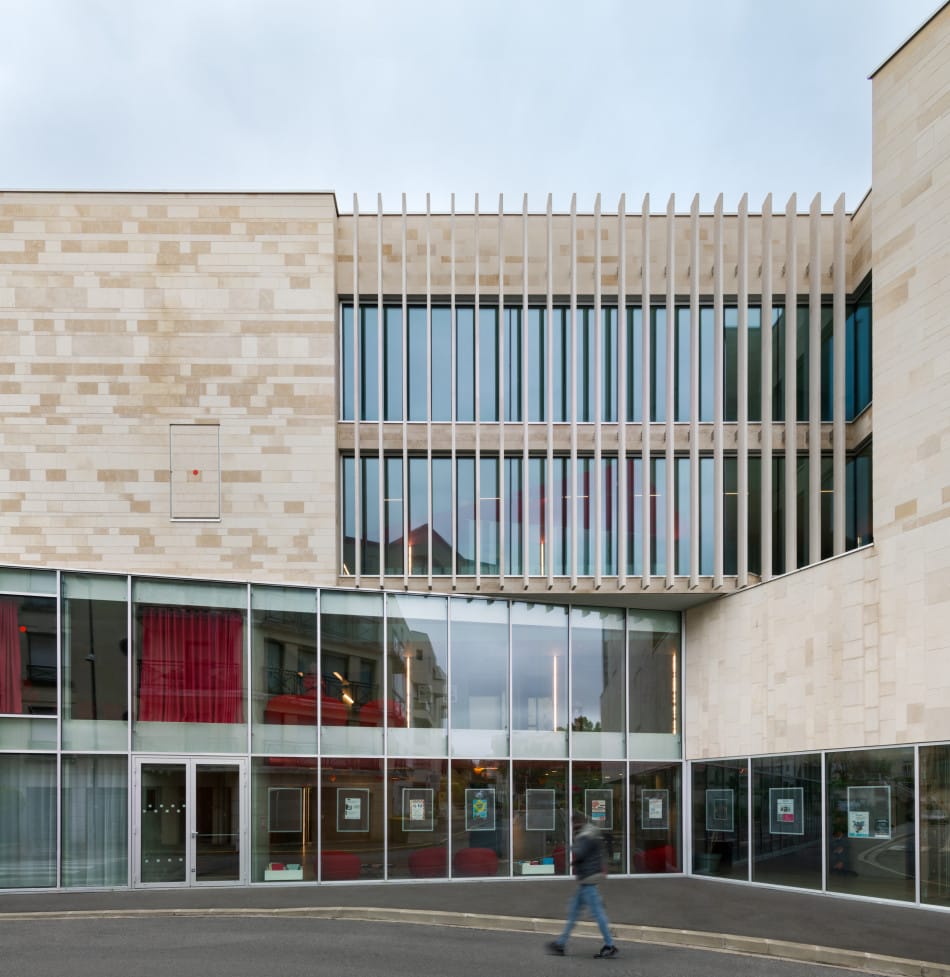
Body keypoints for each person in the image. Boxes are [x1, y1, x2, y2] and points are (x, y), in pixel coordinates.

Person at [547, 813, 619, 958]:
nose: (572, 827)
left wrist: (572, 850)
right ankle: (560, 944)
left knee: (597, 913)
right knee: (574, 912)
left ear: (577, 823)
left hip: (589, 879)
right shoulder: (591, 832)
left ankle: (610, 945)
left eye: (573, 824)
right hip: (587, 878)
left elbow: (579, 853)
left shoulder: (585, 836)